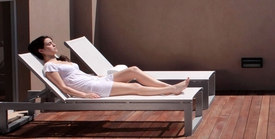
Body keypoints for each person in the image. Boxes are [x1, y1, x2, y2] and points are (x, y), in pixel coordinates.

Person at [28, 35, 188, 98]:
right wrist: (85, 95)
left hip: (96, 80)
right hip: (92, 88)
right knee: (135, 87)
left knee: (133, 70)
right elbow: (63, 87)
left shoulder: (60, 61)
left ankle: (171, 87)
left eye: (52, 41)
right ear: (41, 50)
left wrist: (96, 77)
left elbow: (74, 75)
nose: (53, 44)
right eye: (49, 44)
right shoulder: (49, 67)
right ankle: (171, 90)